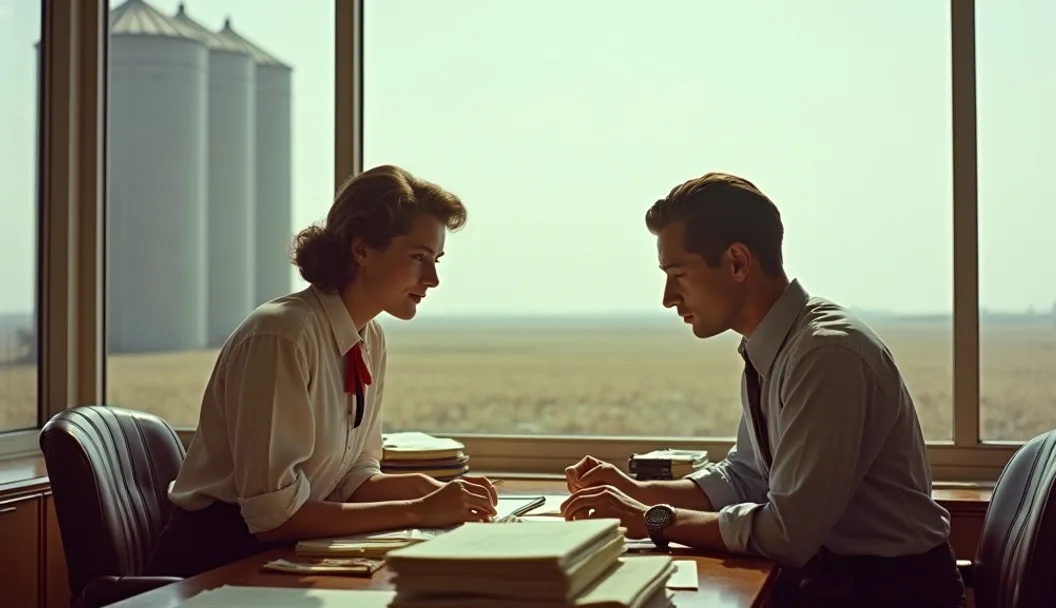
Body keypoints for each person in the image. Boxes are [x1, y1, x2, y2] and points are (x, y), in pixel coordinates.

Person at [560, 173, 965, 607]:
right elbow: (747, 477)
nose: (667, 297)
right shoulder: (774, 347)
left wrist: (654, 519)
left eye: (679, 274)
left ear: (737, 262)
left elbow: (787, 533)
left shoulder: (825, 354)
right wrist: (638, 493)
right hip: (830, 585)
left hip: (885, 594)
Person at [147, 165, 499, 578]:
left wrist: (424, 488)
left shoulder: (370, 338)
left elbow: (353, 477)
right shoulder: (282, 335)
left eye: (436, 259)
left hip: (284, 553)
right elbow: (273, 516)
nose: (433, 279)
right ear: (362, 249)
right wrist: (417, 510)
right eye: (419, 258)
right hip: (213, 566)